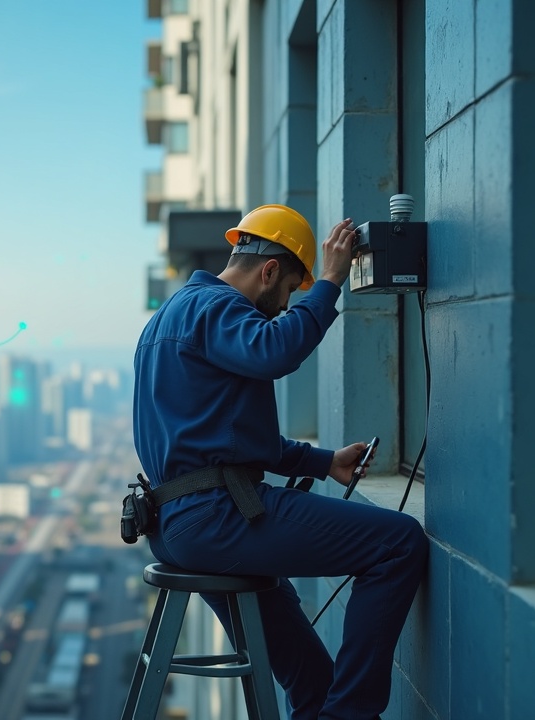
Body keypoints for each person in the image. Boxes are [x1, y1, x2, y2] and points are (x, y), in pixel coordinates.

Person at [132, 205, 429, 720]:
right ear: (269, 271)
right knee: (398, 543)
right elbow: (276, 352)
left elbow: (235, 441)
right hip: (217, 517)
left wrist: (324, 462)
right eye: (291, 288)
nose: (288, 303)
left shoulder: (169, 317)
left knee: (312, 685)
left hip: (179, 525)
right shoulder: (218, 308)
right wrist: (330, 282)